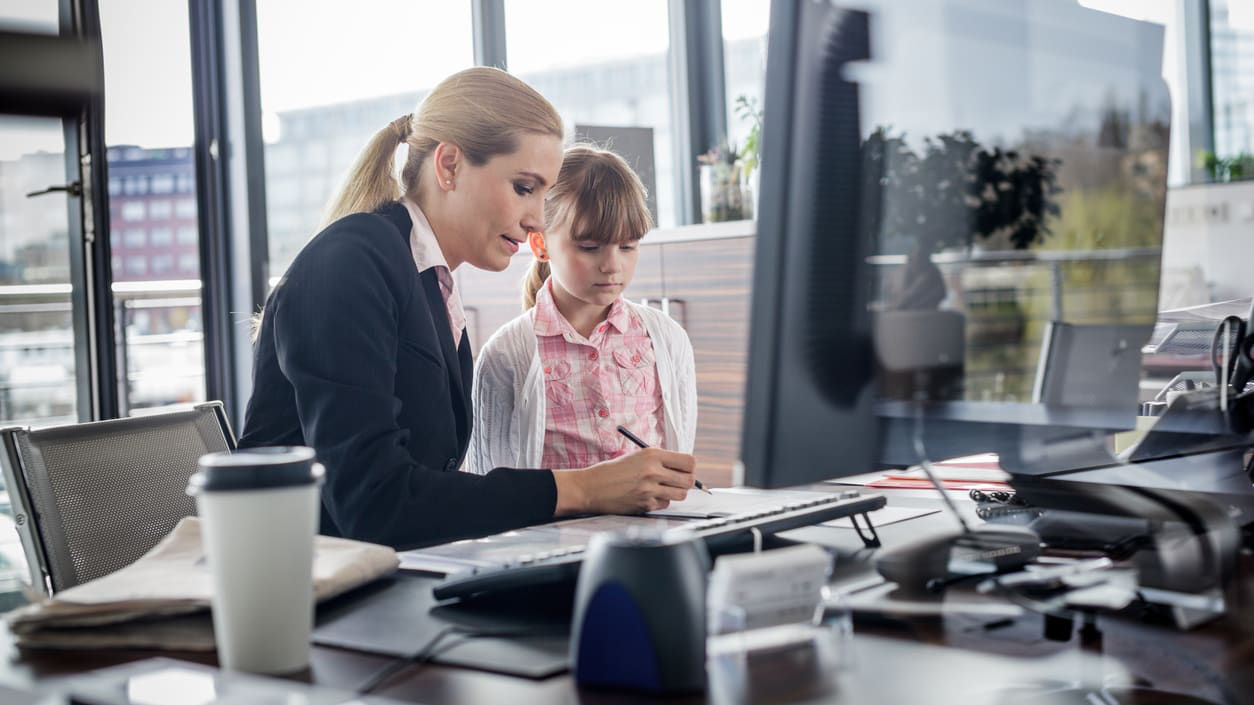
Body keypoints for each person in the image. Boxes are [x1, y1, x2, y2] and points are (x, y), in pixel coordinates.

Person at [237, 68, 696, 549]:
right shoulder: (351, 264)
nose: (537, 218)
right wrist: (583, 488)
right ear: (450, 165)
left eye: (544, 192)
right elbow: (376, 503)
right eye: (524, 187)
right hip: (302, 584)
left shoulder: (428, 284)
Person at [468, 146, 697, 476]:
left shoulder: (666, 340)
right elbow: (489, 483)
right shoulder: (507, 355)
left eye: (628, 246)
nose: (612, 265)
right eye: (590, 248)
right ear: (541, 244)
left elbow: (679, 455)